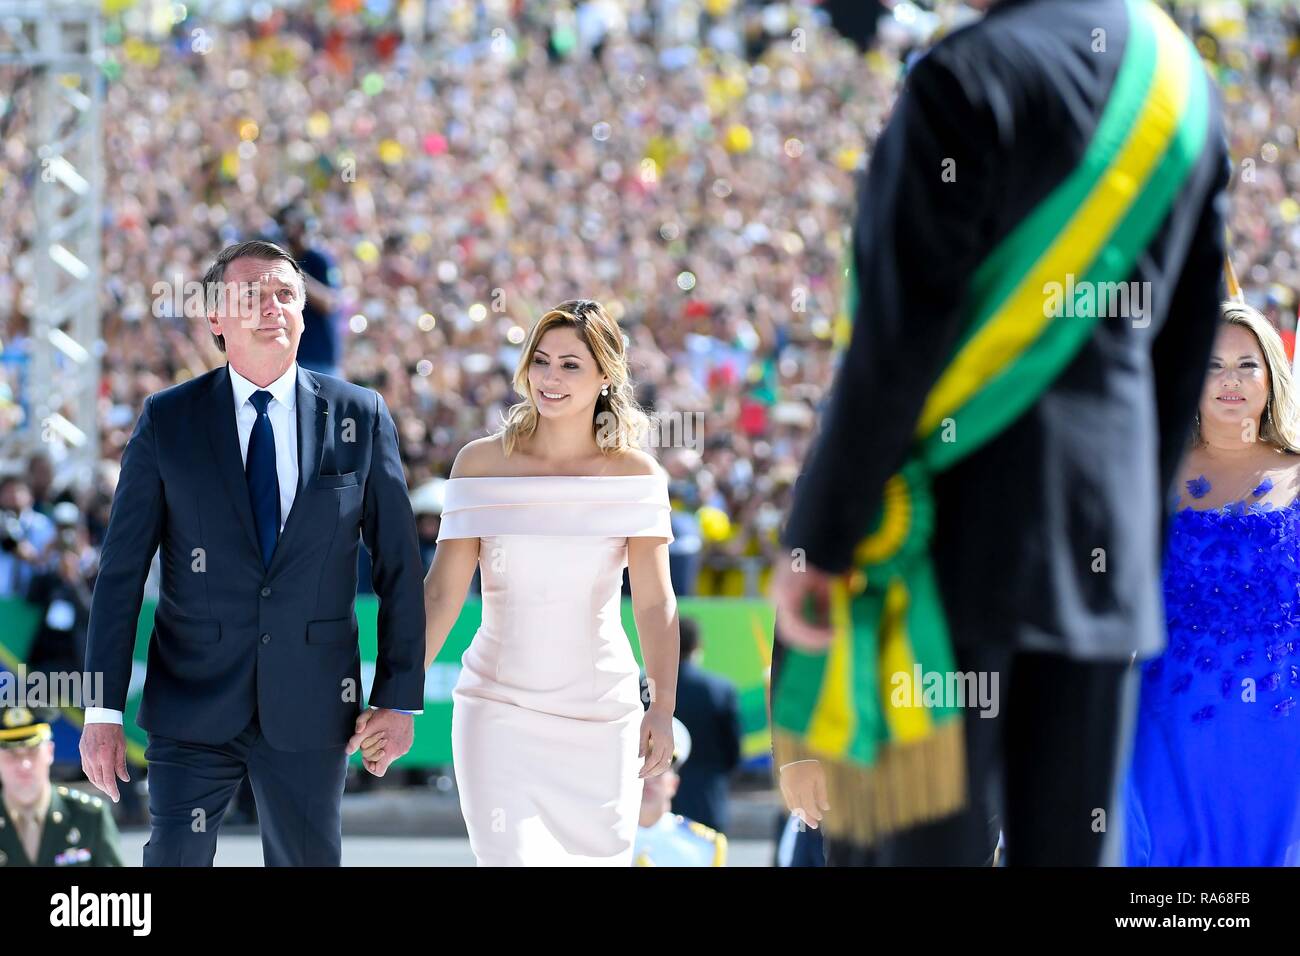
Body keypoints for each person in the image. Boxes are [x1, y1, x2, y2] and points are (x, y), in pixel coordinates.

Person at [771, 0, 1230, 865]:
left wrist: (822, 538)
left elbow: (897, 339)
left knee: (910, 853)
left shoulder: (963, 75)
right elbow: (1182, 359)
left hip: (937, 552)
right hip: (1099, 557)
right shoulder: (1183, 86)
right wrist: (1137, 546)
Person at [80, 240, 426, 866]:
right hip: (192, 701)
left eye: (285, 295)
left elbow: (400, 567)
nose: (273, 308)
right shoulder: (168, 420)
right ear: (216, 318)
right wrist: (102, 710)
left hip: (314, 703)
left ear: (302, 314)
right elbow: (121, 575)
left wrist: (397, 697)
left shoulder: (360, 416)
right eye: (251, 296)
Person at [413, 299, 679, 865]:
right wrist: (397, 695)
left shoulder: (637, 476)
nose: (550, 378)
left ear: (605, 375)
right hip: (496, 709)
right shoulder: (479, 464)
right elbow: (441, 594)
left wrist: (661, 707)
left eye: (571, 365)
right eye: (541, 360)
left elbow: (655, 604)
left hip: (602, 718)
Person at [1127, 302, 1300, 865]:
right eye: (1212, 363)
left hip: (1279, 730)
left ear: (1272, 375)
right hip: (1169, 722)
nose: (1230, 379)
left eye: (1247, 364)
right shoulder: (1148, 469)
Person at [0, 706, 123, 867]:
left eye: (33, 750)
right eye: (12, 754)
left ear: (50, 752)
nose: (24, 764)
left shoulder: (90, 817)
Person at [670, 616, 742, 833]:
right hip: (708, 800)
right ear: (698, 647)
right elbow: (733, 751)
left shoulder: (643, 686)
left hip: (656, 801)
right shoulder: (720, 689)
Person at [632, 717, 727, 866]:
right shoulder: (599, 835)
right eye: (640, 768)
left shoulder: (702, 847)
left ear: (674, 784)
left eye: (658, 769)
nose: (648, 779)